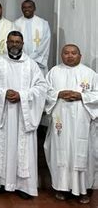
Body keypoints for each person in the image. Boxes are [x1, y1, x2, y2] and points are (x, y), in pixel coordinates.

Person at [0, 31, 48, 199]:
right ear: (7, 43)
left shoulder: (31, 64)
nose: (14, 45)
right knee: (3, 145)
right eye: (11, 41)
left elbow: (41, 87)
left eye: (17, 42)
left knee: (24, 148)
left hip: (23, 114)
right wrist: (4, 93)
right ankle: (2, 182)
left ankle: (24, 186)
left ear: (23, 44)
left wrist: (22, 95)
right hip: (4, 112)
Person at [44, 44, 98, 204]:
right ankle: (62, 188)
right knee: (60, 152)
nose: (70, 56)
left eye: (73, 53)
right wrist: (58, 94)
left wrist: (82, 96)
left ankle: (84, 190)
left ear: (80, 56)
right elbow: (44, 92)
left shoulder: (90, 73)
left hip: (83, 124)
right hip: (61, 123)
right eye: (66, 53)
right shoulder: (54, 72)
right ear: (62, 55)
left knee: (83, 153)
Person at [13, 0, 51, 74]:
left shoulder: (43, 23)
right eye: (24, 7)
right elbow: (14, 43)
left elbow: (45, 43)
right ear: (21, 9)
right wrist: (23, 58)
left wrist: (31, 59)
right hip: (21, 62)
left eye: (29, 7)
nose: (27, 9)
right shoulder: (15, 24)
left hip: (38, 63)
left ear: (34, 8)